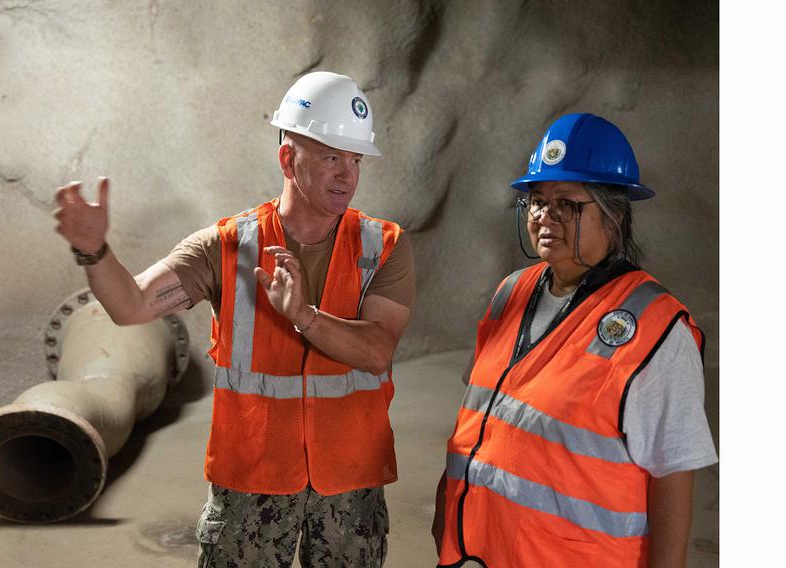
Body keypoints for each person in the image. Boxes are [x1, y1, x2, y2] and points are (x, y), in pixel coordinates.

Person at [53, 71, 414, 567]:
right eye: (332, 156)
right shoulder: (224, 247)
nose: (347, 175)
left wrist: (305, 316)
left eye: (355, 159)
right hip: (251, 486)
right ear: (289, 158)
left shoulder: (384, 246)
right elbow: (130, 305)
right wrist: (94, 252)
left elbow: (377, 350)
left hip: (351, 485)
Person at [431, 113, 717, 568]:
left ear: (615, 215)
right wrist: (449, 505)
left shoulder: (657, 329)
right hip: (477, 553)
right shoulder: (512, 291)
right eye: (538, 201)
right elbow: (480, 414)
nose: (546, 216)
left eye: (568, 204)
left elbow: (673, 474)